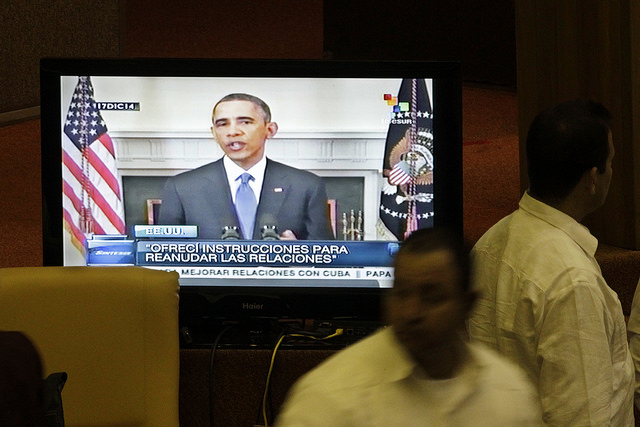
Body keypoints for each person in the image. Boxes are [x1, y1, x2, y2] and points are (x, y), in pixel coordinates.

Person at [468, 99, 633, 426]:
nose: (613, 171)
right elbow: (584, 417)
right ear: (592, 179)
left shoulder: (488, 243)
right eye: (611, 163)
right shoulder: (573, 283)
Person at [275, 227, 542, 426]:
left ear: (467, 304)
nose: (411, 312)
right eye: (401, 293)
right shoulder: (329, 400)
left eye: (431, 296)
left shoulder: (510, 394)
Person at [158, 93, 334, 240]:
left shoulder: (306, 186)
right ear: (213, 133)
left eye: (245, 122)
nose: (232, 131)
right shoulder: (181, 187)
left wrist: (300, 255)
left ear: (270, 130)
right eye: (222, 124)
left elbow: (329, 259)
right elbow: (163, 258)